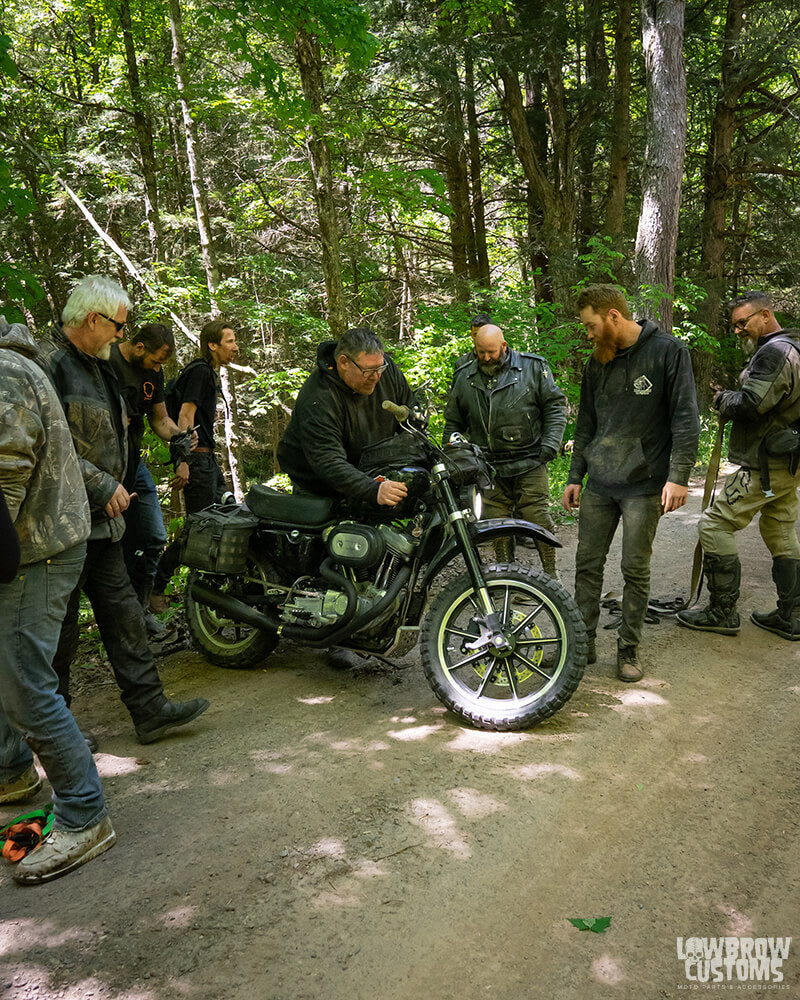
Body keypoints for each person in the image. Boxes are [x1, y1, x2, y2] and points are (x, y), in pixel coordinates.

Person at [36, 275, 210, 744]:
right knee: (61, 634)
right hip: (61, 526)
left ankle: (150, 711)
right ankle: (58, 733)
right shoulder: (47, 364)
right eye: (116, 327)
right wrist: (100, 485)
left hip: (103, 525)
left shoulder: (98, 364)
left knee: (125, 619)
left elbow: (128, 429)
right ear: (93, 319)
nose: (120, 336)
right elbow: (46, 446)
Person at [0, 315, 114, 884]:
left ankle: (84, 814)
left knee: (27, 686)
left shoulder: (4, 372)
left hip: (37, 548)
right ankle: (13, 770)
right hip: (25, 543)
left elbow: (4, 482)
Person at [562, 285, 700, 682]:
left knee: (634, 570)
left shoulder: (669, 353)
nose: (587, 334)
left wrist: (678, 478)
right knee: (587, 565)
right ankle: (583, 643)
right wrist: (575, 476)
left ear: (613, 317)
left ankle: (628, 650)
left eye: (590, 326)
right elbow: (585, 423)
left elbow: (685, 419)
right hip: (600, 484)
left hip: (644, 485)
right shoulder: (596, 362)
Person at [677, 291, 800, 640]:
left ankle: (722, 612)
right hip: (788, 463)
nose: (737, 330)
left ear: (764, 315)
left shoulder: (774, 353)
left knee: (714, 526)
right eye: (734, 325)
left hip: (765, 465)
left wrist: (721, 399)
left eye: (742, 323)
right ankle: (790, 617)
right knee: (780, 531)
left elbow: (750, 405)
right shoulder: (795, 348)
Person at [442, 322, 567, 575]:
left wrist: (550, 446)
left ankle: (551, 577)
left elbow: (555, 407)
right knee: (497, 524)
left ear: (504, 346)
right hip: (488, 467)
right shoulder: (464, 376)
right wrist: (452, 456)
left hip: (530, 460)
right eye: (481, 352)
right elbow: (453, 422)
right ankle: (508, 577)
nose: (486, 358)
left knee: (537, 519)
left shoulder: (533, 367)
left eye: (492, 352)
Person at [110, 323, 193, 636]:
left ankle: (141, 610)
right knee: (117, 545)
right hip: (103, 467)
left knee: (154, 537)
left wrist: (180, 440)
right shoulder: (106, 361)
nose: (158, 369)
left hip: (134, 463)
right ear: (139, 347)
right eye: (156, 361)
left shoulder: (153, 374)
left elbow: (160, 420)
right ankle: (120, 619)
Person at [150, 319, 238, 609]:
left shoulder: (206, 372)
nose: (235, 347)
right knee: (196, 530)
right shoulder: (200, 372)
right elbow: (185, 418)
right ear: (212, 345)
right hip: (197, 460)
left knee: (228, 514)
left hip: (206, 460)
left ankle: (213, 586)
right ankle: (156, 585)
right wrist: (182, 461)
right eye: (229, 342)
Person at [277, 327, 415, 507]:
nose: (376, 377)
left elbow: (410, 418)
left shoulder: (384, 371)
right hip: (318, 488)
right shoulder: (319, 397)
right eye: (368, 371)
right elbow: (327, 460)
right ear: (344, 362)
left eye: (380, 368)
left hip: (369, 473)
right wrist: (373, 489)